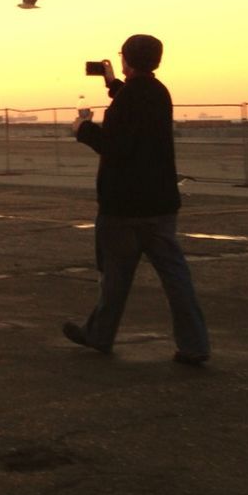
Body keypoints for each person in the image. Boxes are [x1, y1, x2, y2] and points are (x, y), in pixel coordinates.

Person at [63, 34, 211, 365]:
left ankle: (100, 335)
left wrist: (82, 129)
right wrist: (114, 83)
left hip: (123, 206)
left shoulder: (128, 100)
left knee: (115, 278)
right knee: (176, 279)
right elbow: (137, 105)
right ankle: (195, 344)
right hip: (160, 204)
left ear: (128, 60)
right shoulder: (159, 93)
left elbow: (115, 146)